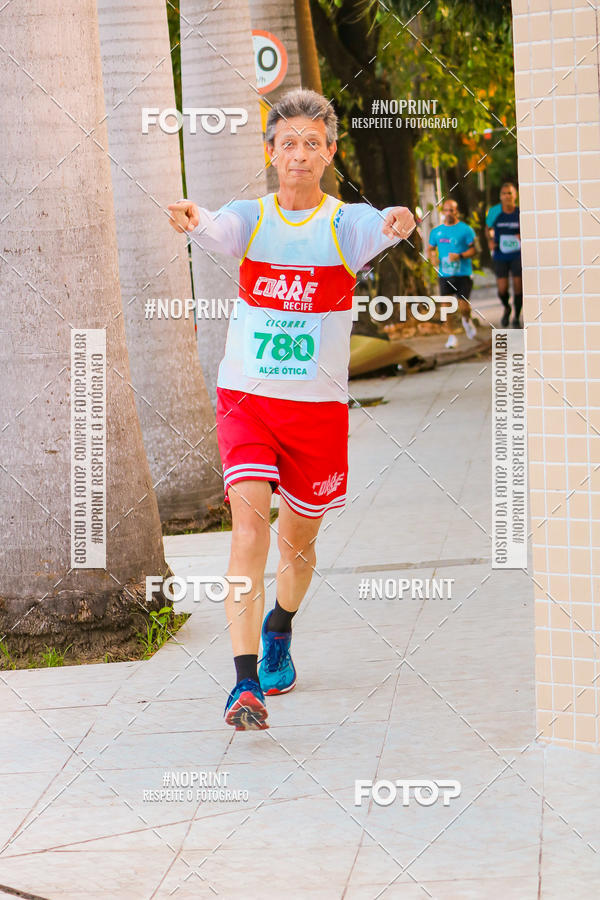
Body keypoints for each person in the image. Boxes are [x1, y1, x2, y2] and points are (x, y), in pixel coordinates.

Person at [167, 89, 416, 731]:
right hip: (247, 400)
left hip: (317, 414)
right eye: (287, 143)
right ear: (270, 153)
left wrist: (398, 218)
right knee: (248, 532)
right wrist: (194, 217)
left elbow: (383, 223)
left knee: (297, 546)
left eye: (311, 143)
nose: (298, 154)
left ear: (330, 153)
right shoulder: (251, 218)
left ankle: (279, 626)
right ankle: (244, 683)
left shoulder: (344, 225)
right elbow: (215, 226)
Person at [427, 200, 477, 349]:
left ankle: (466, 321)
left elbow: (474, 250)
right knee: (446, 306)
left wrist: (460, 256)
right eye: (446, 210)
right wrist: (433, 258)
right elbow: (430, 248)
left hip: (463, 273)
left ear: (457, 212)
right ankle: (451, 336)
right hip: (445, 274)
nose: (448, 213)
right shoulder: (436, 232)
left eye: (451, 210)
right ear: (442, 212)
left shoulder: (466, 229)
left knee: (464, 307)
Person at [488, 182, 522, 328]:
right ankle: (507, 307)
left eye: (510, 193)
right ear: (500, 196)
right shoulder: (494, 212)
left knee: (518, 286)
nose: (507, 196)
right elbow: (488, 228)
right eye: (504, 193)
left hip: (517, 254)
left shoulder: (520, 212)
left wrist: (522, 236)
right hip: (500, 254)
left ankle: (516, 317)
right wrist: (490, 240)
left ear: (515, 195)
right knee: (502, 288)